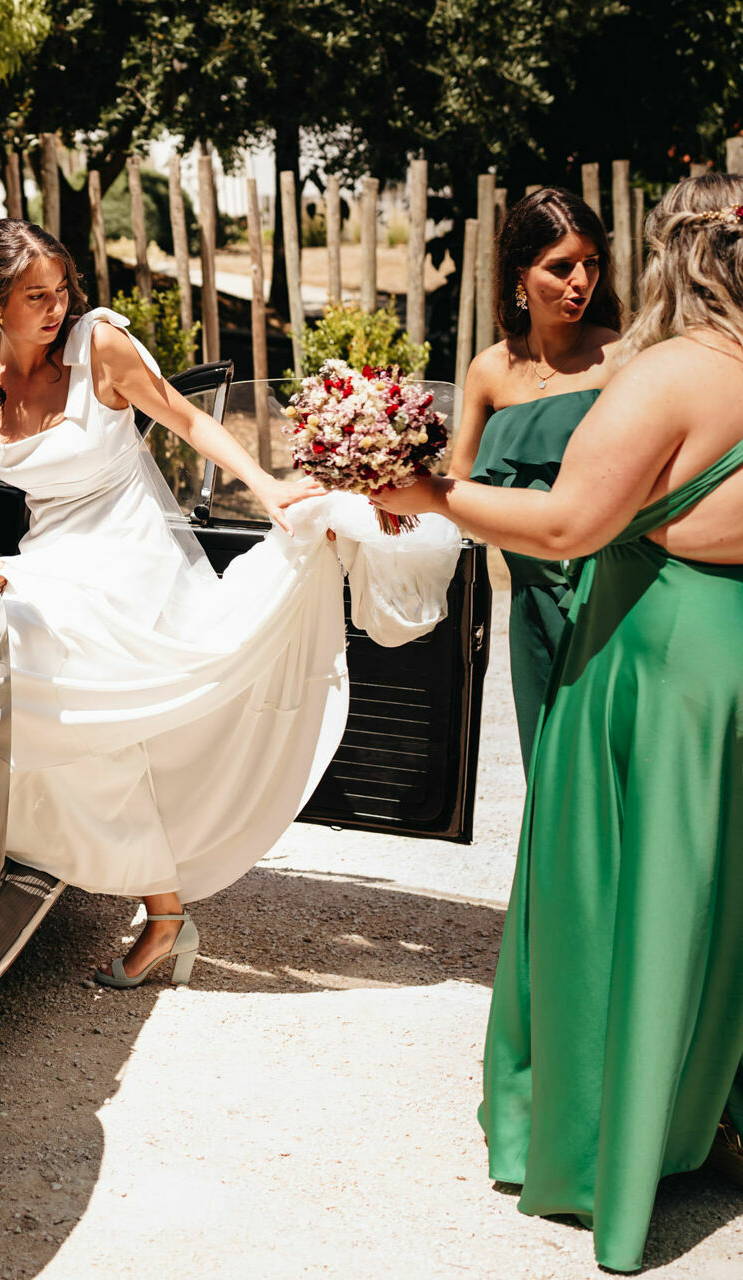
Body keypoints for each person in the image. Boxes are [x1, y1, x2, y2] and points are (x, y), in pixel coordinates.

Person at [373, 174, 743, 1272]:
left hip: (652, 656)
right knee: (710, 901)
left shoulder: (675, 371)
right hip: (729, 652)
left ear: (670, 252)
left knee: (615, 892)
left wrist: (426, 493)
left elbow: (573, 522)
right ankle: (697, 1117)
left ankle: (598, 1155)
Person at [0, 218, 357, 988]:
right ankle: (152, 908)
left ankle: (159, 907)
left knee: (55, 679)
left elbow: (188, 417)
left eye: (62, 288)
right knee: (37, 687)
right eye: (35, 295)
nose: (56, 306)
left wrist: (269, 489)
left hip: (131, 557)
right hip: (51, 557)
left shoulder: (100, 344)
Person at [445, 188, 622, 767]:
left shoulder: (621, 360)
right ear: (521, 274)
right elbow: (453, 488)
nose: (581, 282)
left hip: (608, 596)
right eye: (561, 267)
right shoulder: (490, 371)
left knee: (607, 763)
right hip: (530, 607)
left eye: (591, 264)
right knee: (548, 770)